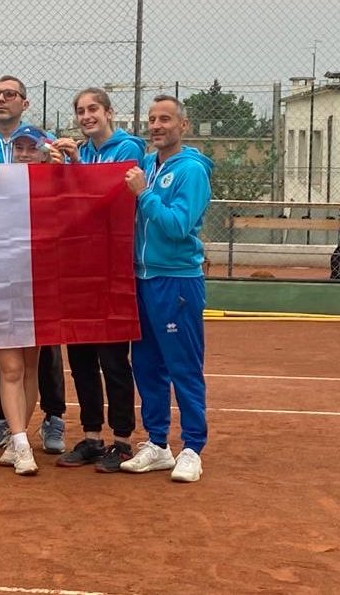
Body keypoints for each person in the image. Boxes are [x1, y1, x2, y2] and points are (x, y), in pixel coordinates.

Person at [0, 75, 67, 456]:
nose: (2, 99)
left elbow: (63, 190)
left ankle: (53, 416)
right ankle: (2, 417)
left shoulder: (43, 140)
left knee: (43, 343)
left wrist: (60, 165)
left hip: (35, 256)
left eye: (10, 94)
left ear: (24, 102)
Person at [49, 88, 146, 472]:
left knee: (113, 359)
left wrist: (77, 167)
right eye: (81, 111)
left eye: (93, 109)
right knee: (81, 357)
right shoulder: (83, 152)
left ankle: (122, 441)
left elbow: (109, 196)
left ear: (109, 112)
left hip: (112, 267)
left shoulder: (129, 148)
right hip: (79, 268)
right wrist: (60, 168)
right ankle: (92, 436)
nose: (86, 116)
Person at [120, 95, 213, 483]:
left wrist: (144, 194)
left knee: (183, 366)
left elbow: (177, 226)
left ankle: (192, 448)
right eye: (152, 119)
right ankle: (157, 444)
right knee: (146, 366)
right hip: (141, 279)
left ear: (183, 126)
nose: (157, 126)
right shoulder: (145, 164)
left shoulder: (192, 171)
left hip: (176, 280)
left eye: (165, 119)